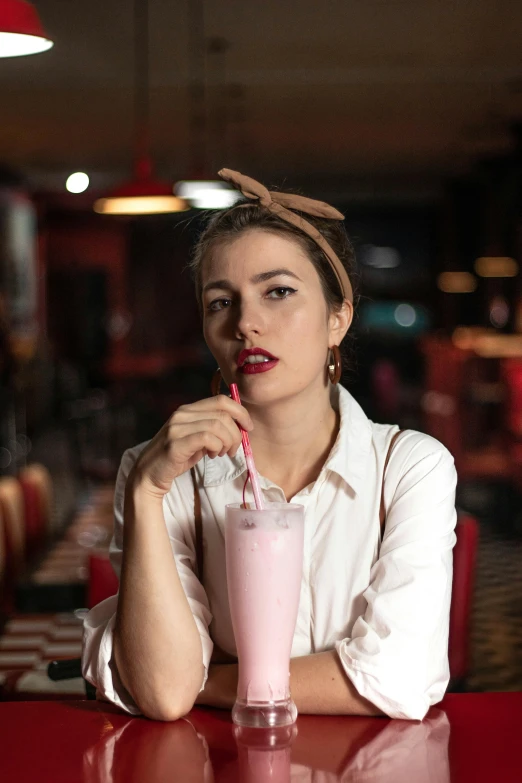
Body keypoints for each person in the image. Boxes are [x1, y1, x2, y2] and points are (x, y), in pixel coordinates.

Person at [82, 169, 457, 722]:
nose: (246, 323)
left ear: (338, 318)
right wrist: (145, 492)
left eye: (278, 292)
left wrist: (206, 682)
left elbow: (399, 675)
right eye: (219, 302)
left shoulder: (408, 469)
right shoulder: (158, 474)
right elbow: (163, 693)